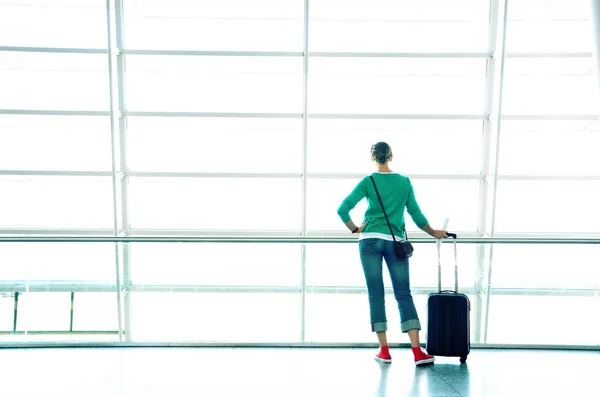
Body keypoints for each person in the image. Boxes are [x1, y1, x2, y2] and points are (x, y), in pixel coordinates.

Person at [337, 142, 448, 366]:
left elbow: (342, 209)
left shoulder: (368, 181)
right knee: (403, 294)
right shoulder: (404, 182)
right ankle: (417, 352)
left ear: (372, 158)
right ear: (391, 157)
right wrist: (433, 231)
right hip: (395, 242)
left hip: (368, 241)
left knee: (375, 293)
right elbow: (415, 212)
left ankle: (384, 350)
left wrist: (355, 228)